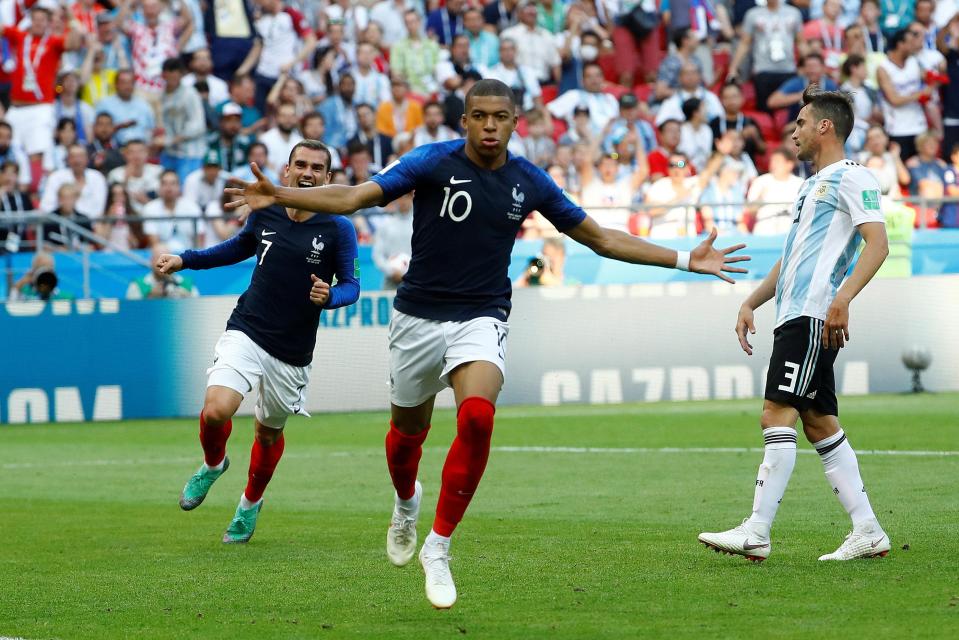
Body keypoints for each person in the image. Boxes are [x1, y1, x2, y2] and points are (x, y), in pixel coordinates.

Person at [226, 78, 749, 609]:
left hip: (481, 315)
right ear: (465, 122)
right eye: (480, 116)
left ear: (515, 122)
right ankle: (406, 504)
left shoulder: (530, 181)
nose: (490, 125)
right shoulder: (431, 161)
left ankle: (439, 545)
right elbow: (357, 197)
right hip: (416, 318)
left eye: (501, 116)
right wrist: (284, 193)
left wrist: (686, 259)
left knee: (477, 416)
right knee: (406, 435)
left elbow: (603, 238)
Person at [698, 86, 892, 563]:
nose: (793, 130)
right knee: (819, 422)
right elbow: (792, 259)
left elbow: (878, 244)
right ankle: (867, 530)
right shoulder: (810, 186)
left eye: (802, 122)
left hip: (812, 313)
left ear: (825, 126)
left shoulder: (852, 177)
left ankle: (757, 532)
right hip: (793, 312)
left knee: (775, 413)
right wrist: (751, 301)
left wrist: (843, 297)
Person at [157, 140, 359, 544]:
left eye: (317, 168)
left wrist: (330, 297)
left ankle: (249, 504)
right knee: (216, 410)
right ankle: (213, 464)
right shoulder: (265, 210)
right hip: (248, 327)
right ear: (286, 171)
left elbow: (352, 286)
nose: (307, 173)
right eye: (300, 164)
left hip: (292, 351)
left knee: (268, 435)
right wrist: (185, 259)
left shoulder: (339, 226)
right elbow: (236, 248)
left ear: (328, 178)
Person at [127, 243, 199, 299]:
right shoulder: (138, 285)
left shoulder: (186, 284)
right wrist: (149, 297)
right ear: (151, 261)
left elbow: (198, 310)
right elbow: (130, 312)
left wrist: (187, 299)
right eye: (158, 258)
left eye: (167, 259)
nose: (162, 263)